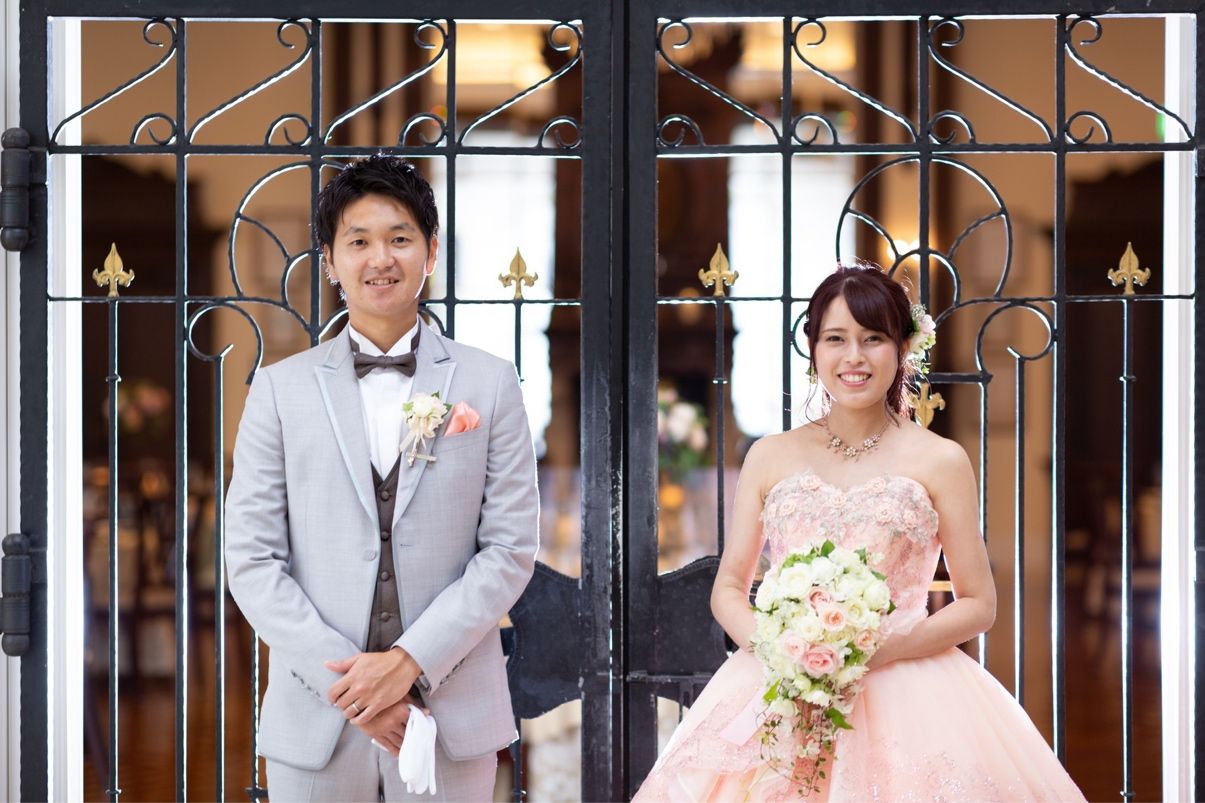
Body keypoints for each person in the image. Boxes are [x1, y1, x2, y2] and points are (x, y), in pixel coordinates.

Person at [634, 264, 1085, 801]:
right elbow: (729, 586)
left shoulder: (941, 460)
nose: (854, 357)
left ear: (902, 348)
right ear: (813, 350)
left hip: (908, 685)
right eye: (836, 339)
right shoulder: (769, 455)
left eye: (873, 338)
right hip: (781, 680)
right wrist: (783, 654)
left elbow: (979, 604)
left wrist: (884, 649)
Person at [225, 155, 539, 801]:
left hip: (449, 714)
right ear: (329, 260)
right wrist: (352, 689)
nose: (380, 259)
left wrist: (408, 663)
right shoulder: (279, 391)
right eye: (359, 241)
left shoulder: (491, 382)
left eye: (399, 238)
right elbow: (251, 560)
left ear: (431, 252)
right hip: (315, 720)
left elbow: (510, 549)